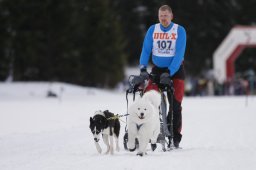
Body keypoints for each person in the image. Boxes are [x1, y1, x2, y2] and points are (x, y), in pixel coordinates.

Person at [138, 4, 186, 148]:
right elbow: (146, 49)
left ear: (171, 16)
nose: (163, 18)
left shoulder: (179, 30)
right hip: (158, 70)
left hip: (175, 71)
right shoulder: (153, 29)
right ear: (158, 17)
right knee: (147, 99)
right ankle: (149, 131)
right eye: (161, 16)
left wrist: (170, 72)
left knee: (176, 105)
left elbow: (179, 54)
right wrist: (142, 67)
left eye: (166, 16)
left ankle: (175, 136)